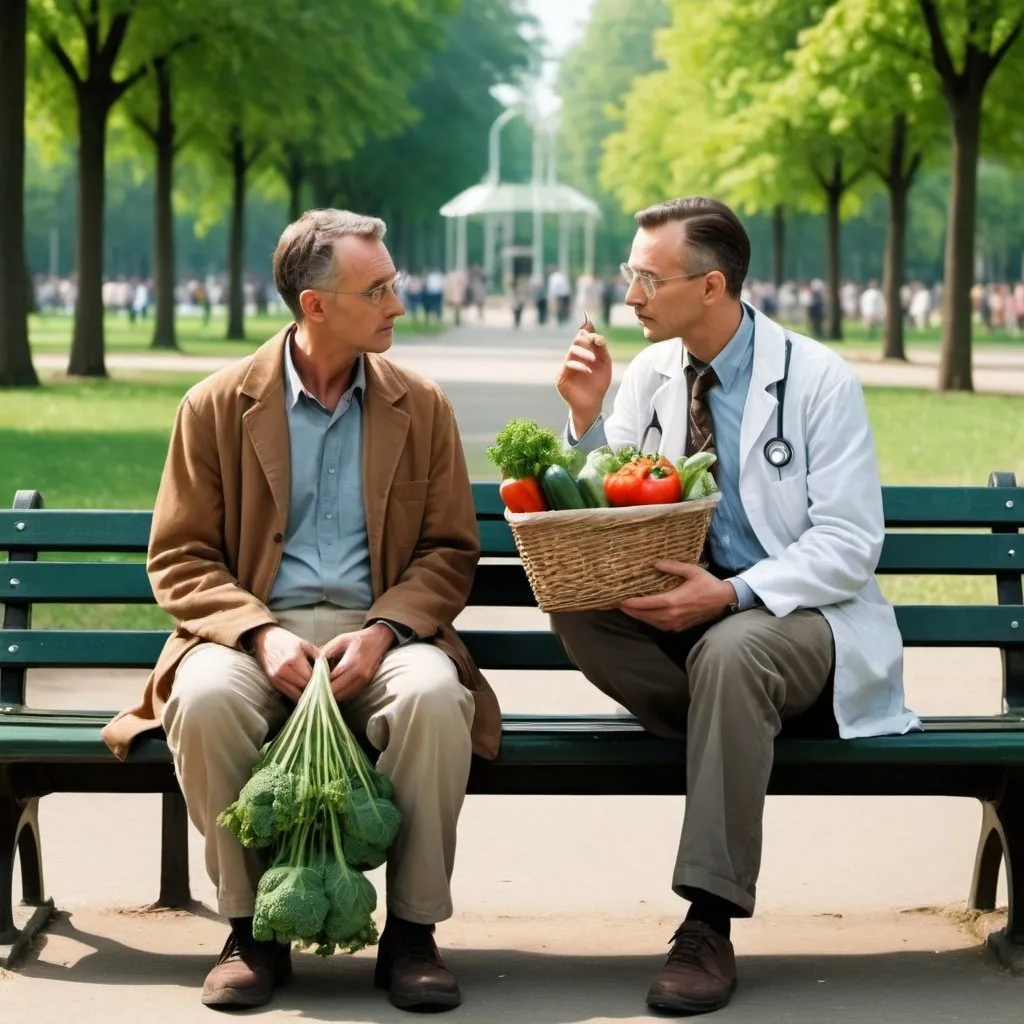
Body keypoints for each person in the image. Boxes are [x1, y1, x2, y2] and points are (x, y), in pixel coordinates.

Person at [102, 209, 501, 1013]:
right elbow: (180, 557)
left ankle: (414, 933)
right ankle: (251, 932)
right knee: (207, 698)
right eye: (378, 288)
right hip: (248, 634)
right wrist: (258, 632)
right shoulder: (215, 405)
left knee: (430, 696)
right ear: (315, 305)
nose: (398, 303)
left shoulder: (421, 406)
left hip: (386, 634)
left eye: (393, 284)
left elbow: (449, 553)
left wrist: (386, 631)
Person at [552, 196, 919, 1015]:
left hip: (800, 622)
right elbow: (613, 507)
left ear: (711, 285)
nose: (631, 295)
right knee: (575, 608)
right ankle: (734, 724)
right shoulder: (649, 375)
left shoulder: (818, 379)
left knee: (734, 652)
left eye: (648, 278)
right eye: (629, 275)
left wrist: (735, 593)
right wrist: (584, 423)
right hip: (686, 626)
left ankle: (708, 922)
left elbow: (851, 544)